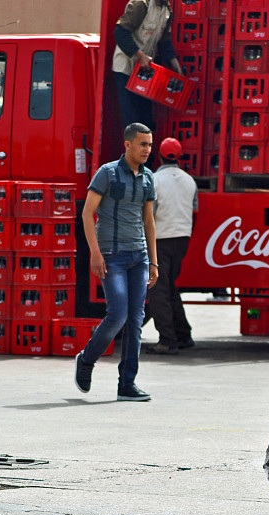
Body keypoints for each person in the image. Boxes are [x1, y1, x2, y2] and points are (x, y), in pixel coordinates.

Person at [74, 122, 159, 402]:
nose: (147, 149)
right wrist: (95, 253)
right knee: (118, 315)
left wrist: (154, 262)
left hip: (139, 257)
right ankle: (87, 359)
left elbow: (149, 220)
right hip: (112, 256)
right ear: (128, 144)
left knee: (136, 320)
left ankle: (127, 384)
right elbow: (87, 214)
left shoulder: (148, 178)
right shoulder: (107, 173)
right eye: (143, 144)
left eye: (150, 144)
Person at [145, 137, 198, 355]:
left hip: (160, 240)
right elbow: (194, 213)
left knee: (157, 290)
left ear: (158, 156)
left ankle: (167, 340)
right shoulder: (190, 181)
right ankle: (183, 335)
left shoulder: (154, 180)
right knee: (170, 288)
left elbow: (149, 215)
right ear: (180, 157)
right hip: (182, 239)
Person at [112, 0, 182, 132]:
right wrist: (140, 55)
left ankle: (145, 145)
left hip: (145, 72)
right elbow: (120, 32)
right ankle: (132, 145)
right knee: (131, 118)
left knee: (146, 119)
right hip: (127, 68)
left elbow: (164, 42)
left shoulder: (167, 10)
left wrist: (177, 68)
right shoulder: (141, 4)